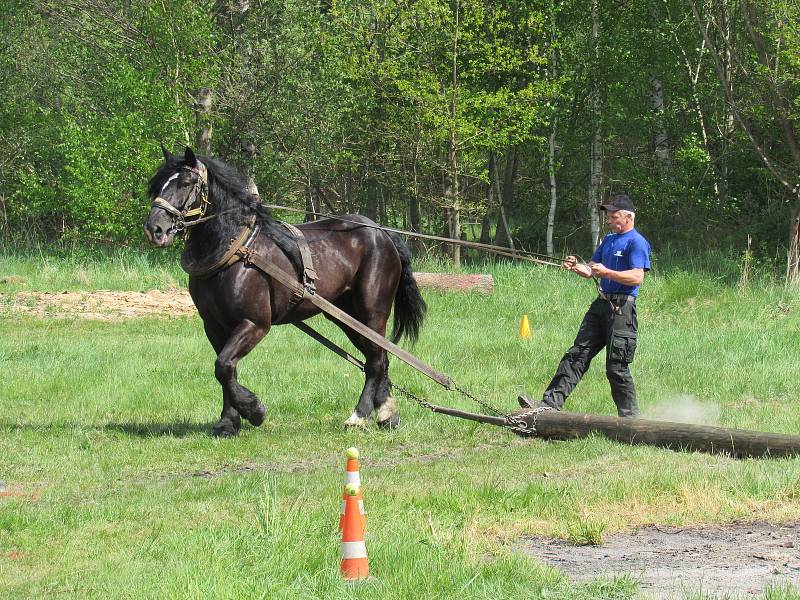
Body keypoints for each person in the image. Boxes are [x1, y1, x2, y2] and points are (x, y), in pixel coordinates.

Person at [519, 194, 651, 417]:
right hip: (600, 305)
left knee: (616, 367)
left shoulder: (636, 242)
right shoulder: (608, 240)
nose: (609, 220)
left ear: (628, 217)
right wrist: (577, 266)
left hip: (621, 309)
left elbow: (637, 277)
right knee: (577, 354)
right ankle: (549, 404)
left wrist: (607, 272)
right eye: (608, 216)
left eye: (613, 216)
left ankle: (630, 421)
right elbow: (591, 269)